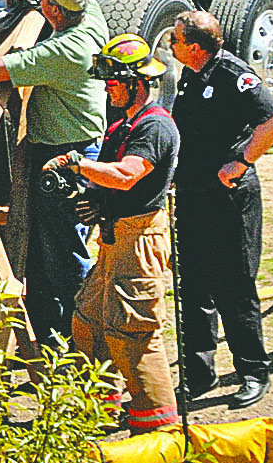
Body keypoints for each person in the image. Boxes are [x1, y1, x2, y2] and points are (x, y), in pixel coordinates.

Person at [0, 0, 109, 345]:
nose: (39, 2)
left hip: (68, 157)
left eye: (43, 1)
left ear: (55, 13)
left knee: (65, 252)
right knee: (48, 254)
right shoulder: (88, 13)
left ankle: (86, 335)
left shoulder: (65, 50)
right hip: (77, 142)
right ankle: (54, 333)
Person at [58, 35, 181, 430]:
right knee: (89, 319)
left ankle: (157, 419)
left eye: (113, 83)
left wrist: (78, 165)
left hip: (140, 239)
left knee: (133, 329)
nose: (107, 89)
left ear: (136, 83)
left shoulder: (155, 127)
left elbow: (128, 175)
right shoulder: (122, 125)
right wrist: (94, 198)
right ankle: (102, 403)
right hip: (114, 238)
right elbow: (110, 180)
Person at [168, 10, 273, 407]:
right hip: (192, 194)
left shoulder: (235, 76)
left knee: (234, 287)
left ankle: (253, 372)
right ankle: (199, 374)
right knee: (194, 286)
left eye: (176, 40)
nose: (170, 45)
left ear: (196, 47)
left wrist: (241, 161)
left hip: (229, 196)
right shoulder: (190, 75)